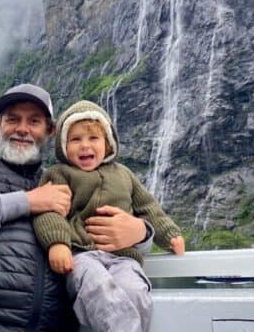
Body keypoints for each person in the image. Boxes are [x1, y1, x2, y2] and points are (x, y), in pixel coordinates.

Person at [0, 83, 154, 332]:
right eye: (12, 119)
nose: (22, 129)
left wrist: (142, 233)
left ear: (50, 131)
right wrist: (29, 201)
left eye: (34, 121)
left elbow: (97, 237)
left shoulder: (68, 179)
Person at [33, 100, 185, 332]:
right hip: (81, 256)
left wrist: (169, 233)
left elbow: (148, 208)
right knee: (97, 285)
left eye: (93, 138)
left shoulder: (125, 174)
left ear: (108, 143)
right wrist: (57, 243)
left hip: (124, 258)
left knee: (134, 289)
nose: (85, 146)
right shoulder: (59, 174)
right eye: (75, 139)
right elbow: (49, 212)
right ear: (63, 145)